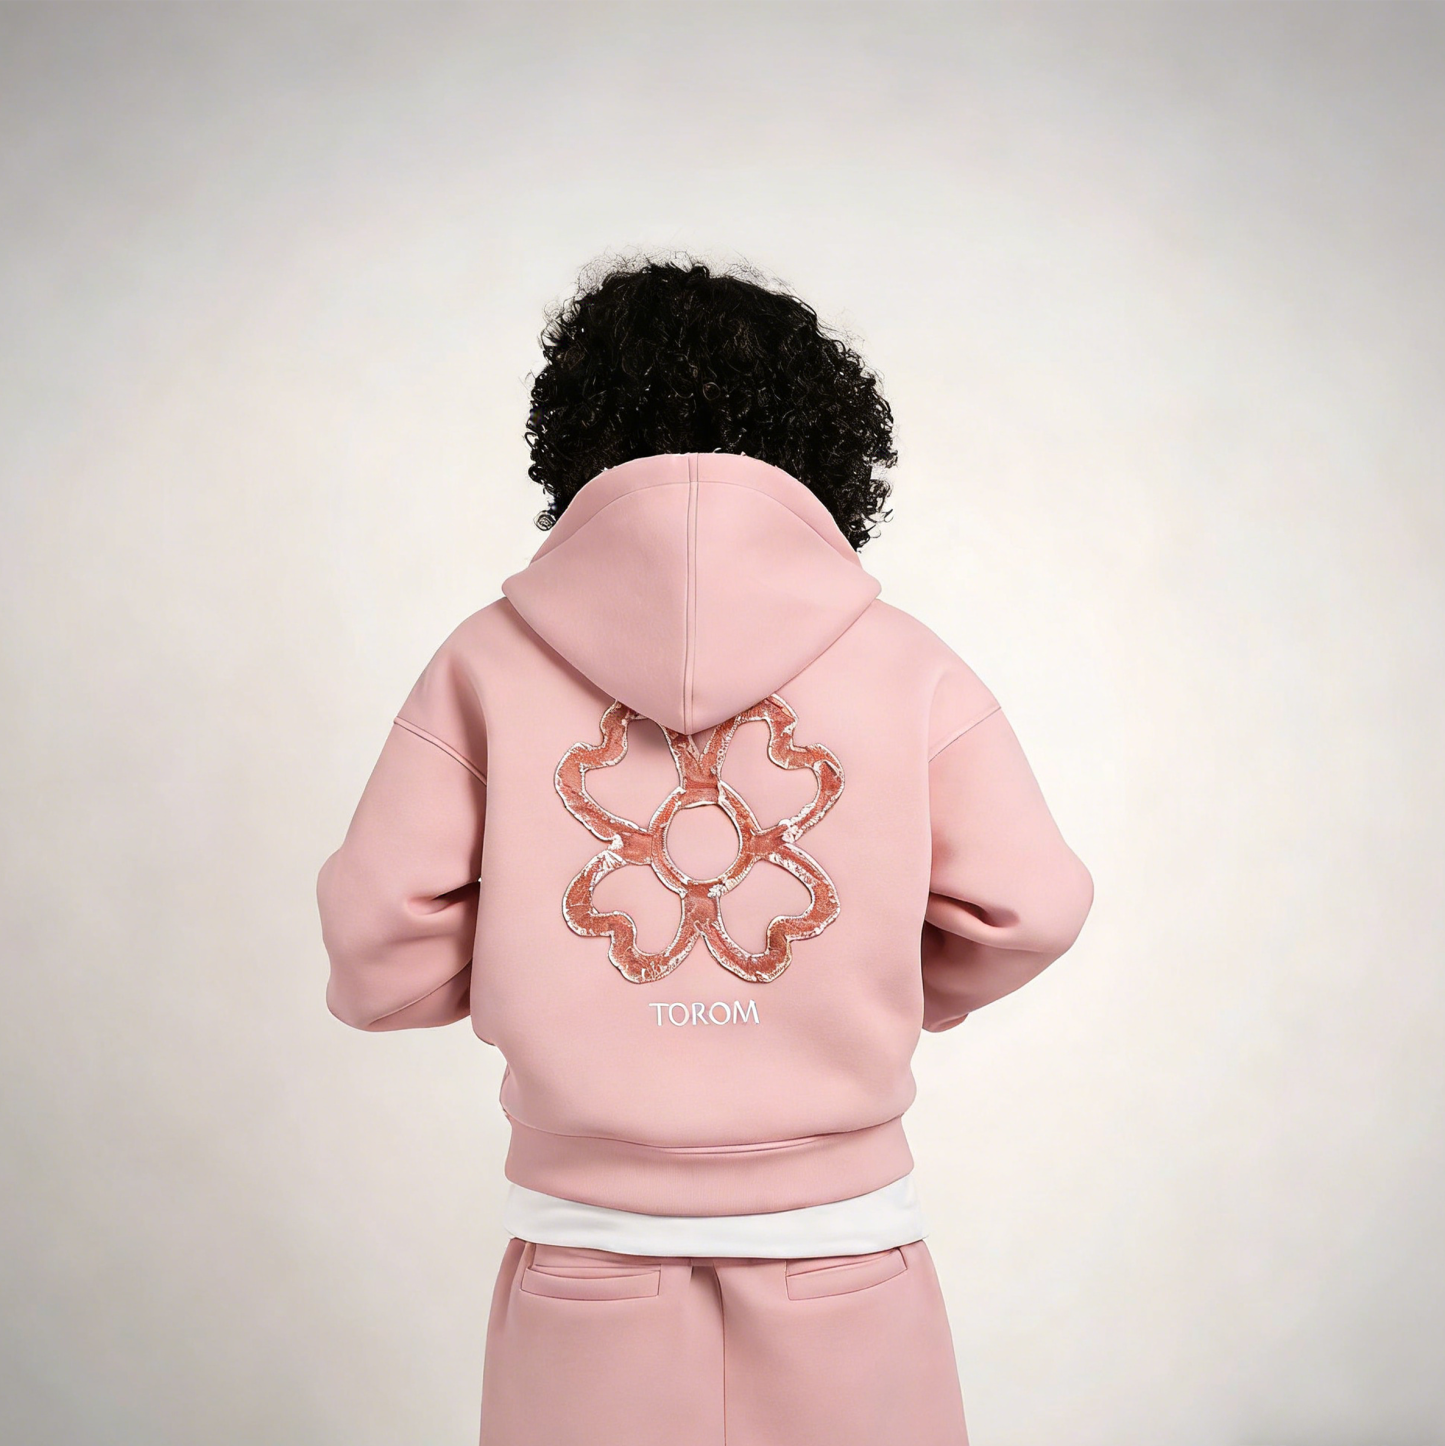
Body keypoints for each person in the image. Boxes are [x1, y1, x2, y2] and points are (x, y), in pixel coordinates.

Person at [317, 255, 1094, 1446]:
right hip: (843, 1245)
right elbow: (1029, 904)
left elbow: (378, 944)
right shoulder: (906, 663)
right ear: (827, 442)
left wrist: (535, 968)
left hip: (586, 1256)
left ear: (574, 435)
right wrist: (873, 978)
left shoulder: (483, 661)